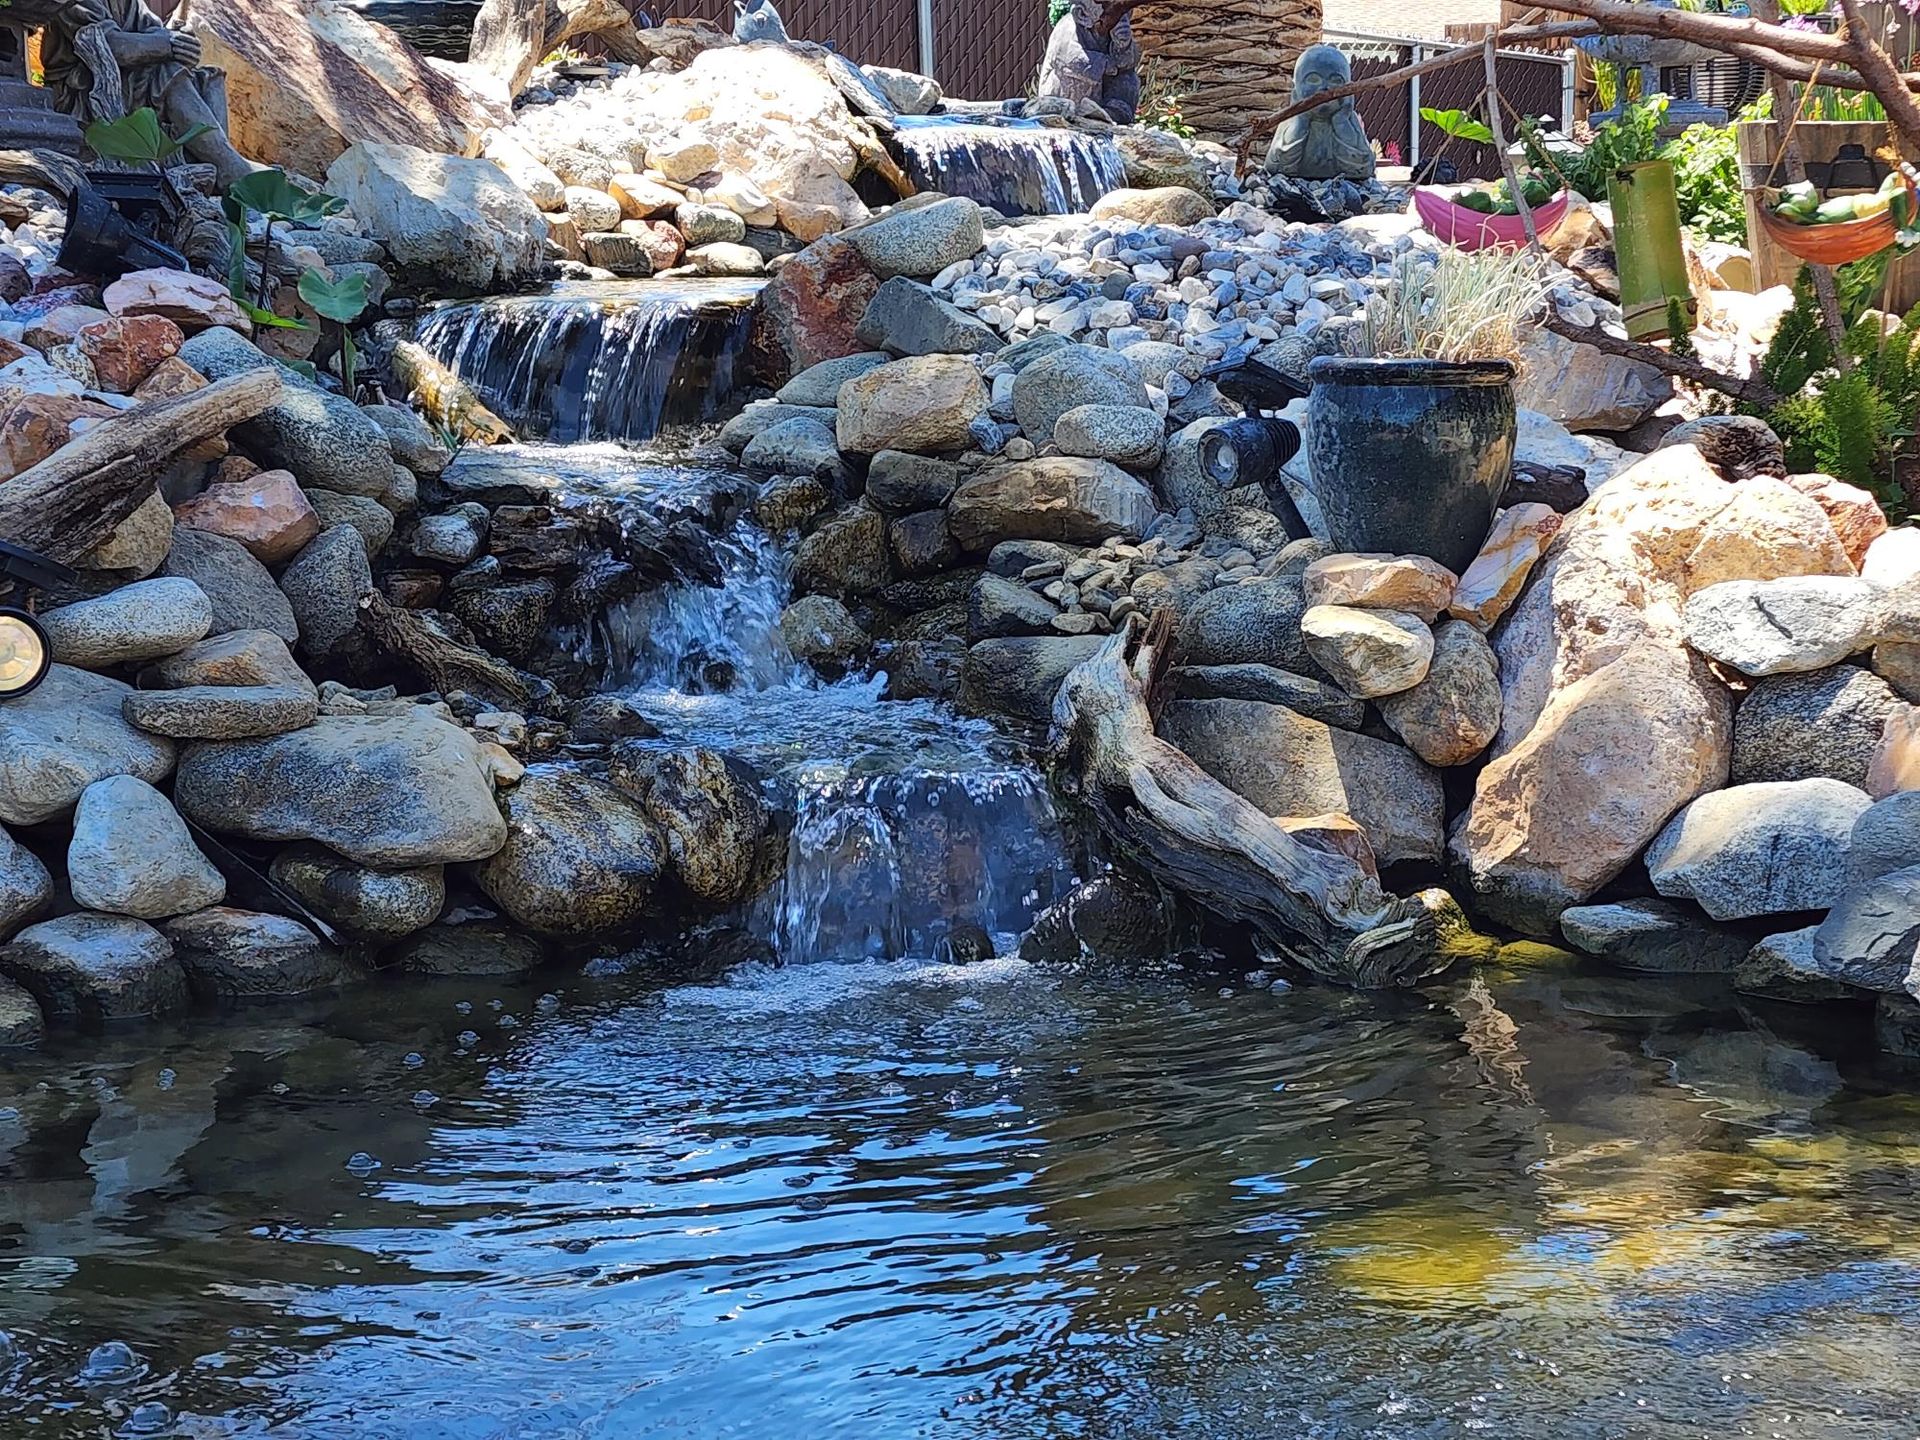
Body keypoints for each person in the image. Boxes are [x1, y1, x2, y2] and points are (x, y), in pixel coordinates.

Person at [15, 0, 257, 188]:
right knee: (166, 73)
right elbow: (107, 45)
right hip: (85, 91)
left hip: (127, 83)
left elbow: (150, 29)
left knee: (208, 78)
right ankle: (232, 170)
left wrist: (179, 41)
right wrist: (167, 45)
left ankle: (220, 164)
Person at [1036, 0, 1140, 125]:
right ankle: (1075, 113)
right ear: (1082, 14)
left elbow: (1129, 62)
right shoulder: (1068, 26)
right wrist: (1106, 63)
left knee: (1128, 76)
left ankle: (1116, 111)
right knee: (1075, 76)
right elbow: (1069, 59)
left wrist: (1124, 43)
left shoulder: (1114, 31)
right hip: (1068, 96)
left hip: (1104, 97)